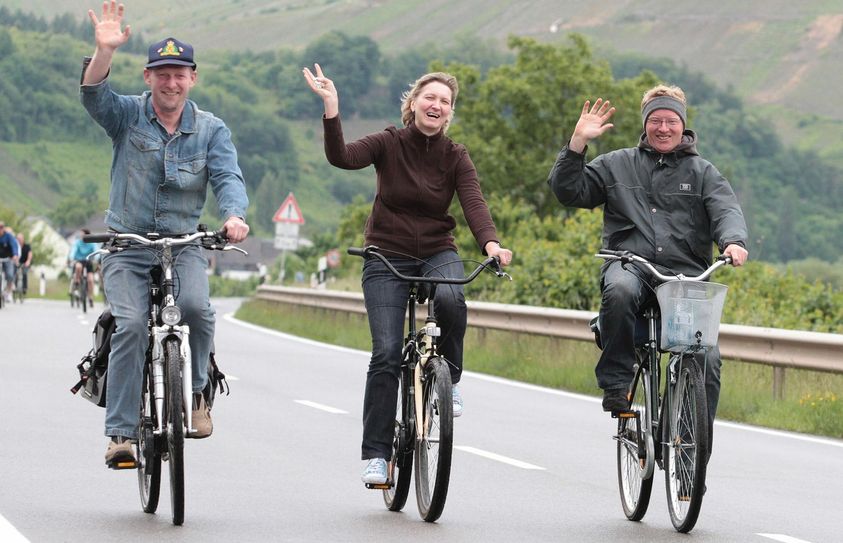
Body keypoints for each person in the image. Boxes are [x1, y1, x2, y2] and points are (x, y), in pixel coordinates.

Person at [303, 64, 513, 485]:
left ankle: (449, 380)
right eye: (430, 97)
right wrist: (331, 108)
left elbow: (474, 203)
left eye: (445, 102)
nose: (436, 105)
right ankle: (377, 455)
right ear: (413, 103)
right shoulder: (388, 142)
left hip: (437, 250)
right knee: (385, 353)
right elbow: (341, 158)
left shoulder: (456, 156)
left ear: (450, 113)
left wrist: (491, 245)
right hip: (386, 256)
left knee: (452, 298)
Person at [80, 1, 250, 466]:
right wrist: (103, 51)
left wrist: (234, 217)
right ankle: (119, 434)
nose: (170, 82)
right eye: (162, 73)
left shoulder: (211, 129)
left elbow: (228, 179)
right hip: (127, 246)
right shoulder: (127, 117)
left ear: (192, 77)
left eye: (179, 74)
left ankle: (196, 396)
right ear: (148, 76)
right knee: (132, 324)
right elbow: (94, 94)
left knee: (197, 308)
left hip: (183, 244)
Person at [547, 84, 749, 456]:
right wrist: (577, 144)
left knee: (706, 359)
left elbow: (725, 210)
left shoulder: (703, 172)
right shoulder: (616, 164)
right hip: (632, 265)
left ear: (683, 125)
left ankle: (691, 457)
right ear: (645, 124)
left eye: (671, 121)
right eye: (656, 120)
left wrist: (733, 241)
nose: (663, 128)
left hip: (685, 278)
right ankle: (617, 384)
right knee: (619, 291)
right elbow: (568, 191)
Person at [68, 229, 98, 307]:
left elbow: (96, 251)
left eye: (82, 235)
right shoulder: (77, 243)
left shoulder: (92, 243)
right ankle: (77, 281)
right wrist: (71, 258)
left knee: (90, 280)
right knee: (78, 266)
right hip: (79, 261)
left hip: (88, 262)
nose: (81, 236)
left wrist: (97, 259)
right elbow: (73, 251)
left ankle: (90, 298)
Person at [0, 222, 20, 302]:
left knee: (10, 275)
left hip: (7, 258)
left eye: (1, 227)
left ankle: (8, 292)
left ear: (3, 228)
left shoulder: (8, 236)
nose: (0, 229)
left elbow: (14, 245)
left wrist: (15, 254)